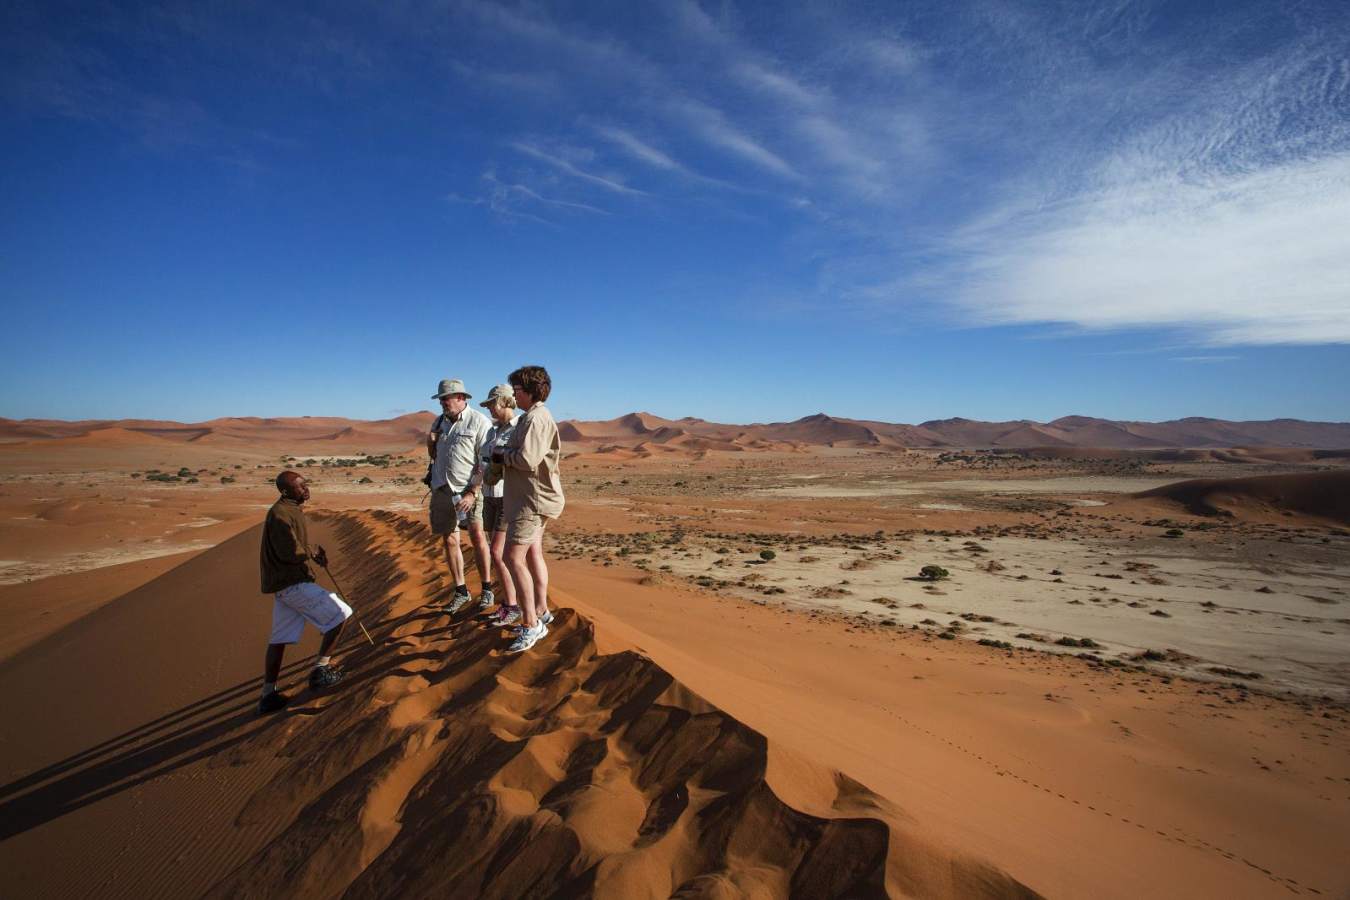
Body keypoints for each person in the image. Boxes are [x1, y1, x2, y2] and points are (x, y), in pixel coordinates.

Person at [258, 471, 351, 715]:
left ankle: (268, 695)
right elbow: (289, 551)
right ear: (286, 491)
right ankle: (321, 671)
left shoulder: (289, 510)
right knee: (341, 614)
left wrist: (311, 550)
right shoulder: (280, 514)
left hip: (285, 585)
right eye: (300, 487)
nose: (306, 489)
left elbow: (295, 546)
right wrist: (311, 552)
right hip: (291, 583)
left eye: (306, 484)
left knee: (279, 639)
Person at [494, 365, 564, 653]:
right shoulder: (530, 417)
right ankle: (541, 610)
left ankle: (531, 624)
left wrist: (501, 454)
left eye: (518, 390)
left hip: (531, 501)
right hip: (529, 498)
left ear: (532, 391)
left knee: (512, 557)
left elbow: (527, 459)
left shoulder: (536, 418)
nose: (514, 396)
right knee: (533, 553)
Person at [425, 378, 494, 613]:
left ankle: (487, 589)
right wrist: (430, 443)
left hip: (468, 489)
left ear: (461, 398)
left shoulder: (479, 421)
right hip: (442, 488)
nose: (443, 402)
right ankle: (461, 591)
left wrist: (473, 491)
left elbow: (485, 461)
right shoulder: (438, 422)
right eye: (441, 399)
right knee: (449, 539)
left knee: (477, 536)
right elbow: (434, 456)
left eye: (447, 398)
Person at [467, 384, 520, 626]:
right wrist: (474, 487)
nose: (489, 409)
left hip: (508, 497)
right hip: (489, 496)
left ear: (503, 401)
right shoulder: (492, 431)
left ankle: (514, 606)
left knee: (499, 553)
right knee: (496, 554)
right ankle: (508, 603)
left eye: (491, 404)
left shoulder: (519, 429)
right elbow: (483, 463)